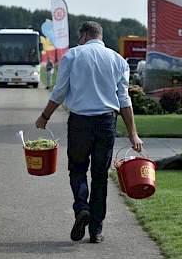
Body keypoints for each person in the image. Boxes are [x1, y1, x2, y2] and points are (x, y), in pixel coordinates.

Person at [35, 21, 143, 243]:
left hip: (80, 122)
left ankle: (81, 207)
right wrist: (133, 133)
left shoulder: (73, 56)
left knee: (77, 169)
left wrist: (44, 117)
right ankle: (96, 229)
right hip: (106, 123)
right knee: (100, 176)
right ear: (100, 36)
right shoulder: (118, 60)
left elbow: (60, 91)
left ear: (84, 35)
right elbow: (124, 99)